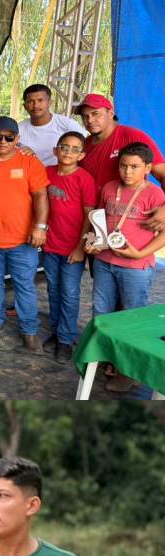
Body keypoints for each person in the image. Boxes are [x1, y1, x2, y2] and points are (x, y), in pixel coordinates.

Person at [85, 141, 165, 392]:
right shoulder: (109, 188)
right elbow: (99, 223)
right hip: (105, 262)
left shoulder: (155, 195)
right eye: (123, 166)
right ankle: (106, 358)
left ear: (148, 168)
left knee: (131, 316)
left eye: (134, 167)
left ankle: (128, 371)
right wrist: (92, 242)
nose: (127, 172)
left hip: (136, 266)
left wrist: (140, 252)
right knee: (102, 312)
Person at [0, 116, 49, 354]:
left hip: (22, 241)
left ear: (17, 139)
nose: (3, 142)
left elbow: (40, 196)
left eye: (9, 137)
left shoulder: (29, 162)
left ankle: (29, 330)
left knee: (24, 286)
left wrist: (40, 227)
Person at [41, 131, 97, 364]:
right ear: (55, 150)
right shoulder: (47, 173)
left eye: (75, 149)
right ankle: (56, 331)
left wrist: (80, 247)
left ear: (82, 154)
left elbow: (89, 215)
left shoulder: (84, 178)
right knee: (53, 290)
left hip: (72, 248)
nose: (68, 152)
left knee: (70, 293)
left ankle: (66, 339)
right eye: (64, 147)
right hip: (51, 245)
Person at [78, 94, 165, 229]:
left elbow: (162, 174)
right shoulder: (86, 144)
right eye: (85, 116)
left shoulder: (133, 136)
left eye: (96, 114)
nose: (90, 120)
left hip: (129, 222)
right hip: (95, 222)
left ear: (111, 113)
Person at [18, 84, 87, 167]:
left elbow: (85, 147)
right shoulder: (18, 129)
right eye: (30, 101)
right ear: (25, 106)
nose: (35, 105)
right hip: (29, 175)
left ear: (50, 102)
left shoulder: (67, 125)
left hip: (59, 176)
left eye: (40, 100)